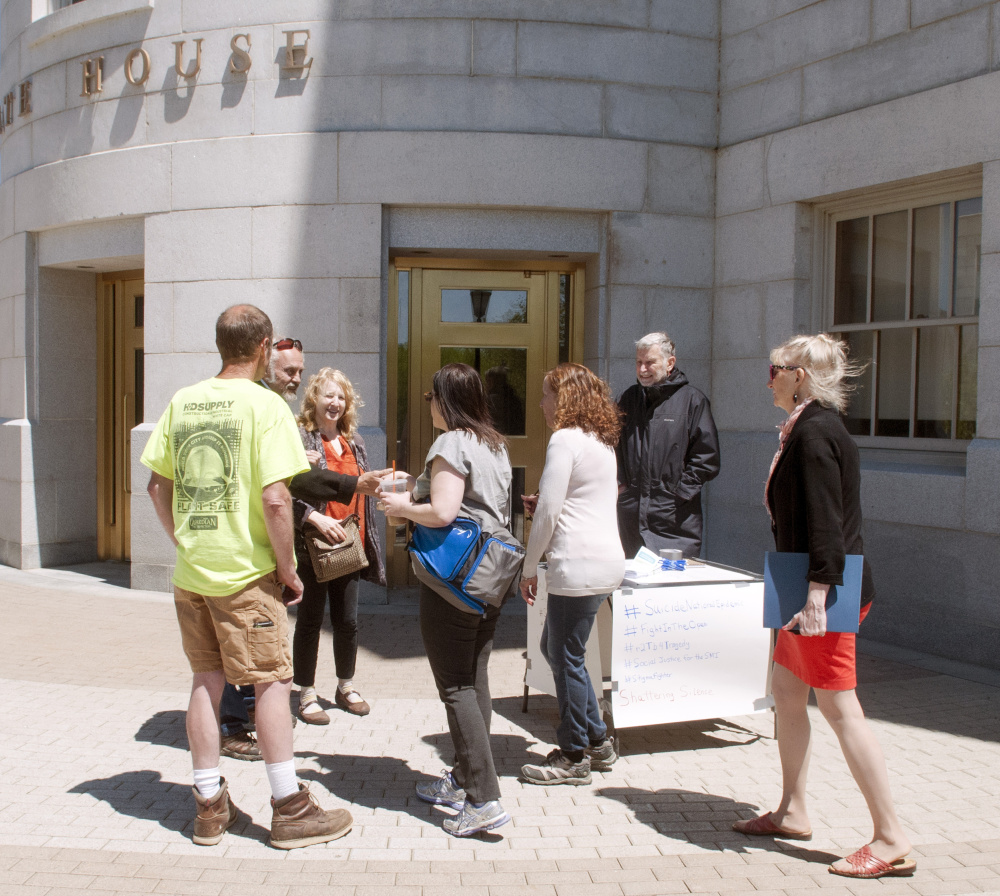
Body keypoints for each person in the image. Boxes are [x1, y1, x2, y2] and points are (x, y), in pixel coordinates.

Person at [141, 304, 354, 849]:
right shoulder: (265, 407)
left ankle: (208, 805)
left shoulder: (183, 400)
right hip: (246, 576)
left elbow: (156, 488)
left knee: (205, 683)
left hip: (193, 573)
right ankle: (289, 806)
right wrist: (287, 569)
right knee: (273, 683)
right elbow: (277, 497)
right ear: (263, 348)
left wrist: (184, 541)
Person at [732, 334, 915, 880]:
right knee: (788, 693)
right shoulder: (806, 428)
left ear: (800, 377)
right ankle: (793, 810)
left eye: (776, 369)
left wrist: (816, 597)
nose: (769, 377)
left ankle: (891, 836)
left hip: (823, 594)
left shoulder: (814, 434)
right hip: (804, 589)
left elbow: (826, 525)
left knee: (841, 709)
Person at [378, 363, 513, 837]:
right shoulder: (494, 443)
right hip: (490, 578)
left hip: (452, 582)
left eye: (431, 396)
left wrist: (400, 508)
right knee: (475, 680)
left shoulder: (451, 443)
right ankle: (463, 777)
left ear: (446, 400)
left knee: (455, 686)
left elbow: (442, 511)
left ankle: (484, 798)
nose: (428, 404)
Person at [518, 364, 624, 785]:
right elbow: (573, 500)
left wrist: (529, 566)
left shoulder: (563, 439)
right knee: (561, 650)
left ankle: (575, 754)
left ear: (564, 399)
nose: (541, 403)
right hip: (603, 561)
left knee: (565, 654)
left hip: (576, 564)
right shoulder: (601, 441)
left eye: (546, 394)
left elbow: (550, 511)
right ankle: (596, 741)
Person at [292, 369, 385, 724]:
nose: (335, 403)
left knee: (347, 621)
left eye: (341, 397)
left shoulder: (355, 441)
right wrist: (314, 519)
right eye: (328, 396)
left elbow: (362, 488)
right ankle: (306, 692)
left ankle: (345, 685)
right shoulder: (301, 439)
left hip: (350, 543)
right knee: (311, 620)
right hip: (314, 544)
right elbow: (285, 492)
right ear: (313, 399)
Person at [616, 331, 720, 558]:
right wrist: (622, 485)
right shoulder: (628, 399)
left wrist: (679, 493)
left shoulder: (692, 400)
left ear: (670, 363)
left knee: (670, 589)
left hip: (674, 522)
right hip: (630, 519)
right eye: (639, 363)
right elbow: (613, 445)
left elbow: (707, 458)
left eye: (649, 363)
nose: (642, 369)